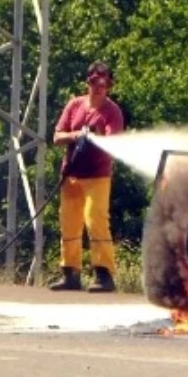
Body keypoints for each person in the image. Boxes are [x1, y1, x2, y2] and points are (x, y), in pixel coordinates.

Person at [47, 61, 125, 292]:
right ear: (87, 82)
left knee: (95, 219)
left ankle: (104, 275)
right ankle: (70, 273)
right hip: (71, 174)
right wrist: (77, 135)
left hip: (97, 176)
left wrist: (97, 135)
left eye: (104, 83)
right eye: (94, 82)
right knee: (69, 224)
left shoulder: (112, 112)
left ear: (109, 85)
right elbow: (57, 137)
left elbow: (113, 142)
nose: (99, 87)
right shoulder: (74, 105)